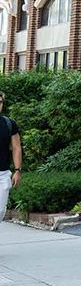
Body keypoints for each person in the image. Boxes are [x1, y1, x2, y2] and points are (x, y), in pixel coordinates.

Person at [0, 92, 20, 221]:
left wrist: (17, 170)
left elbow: (16, 147)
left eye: (0, 102)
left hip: (3, 174)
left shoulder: (9, 124)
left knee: (0, 211)